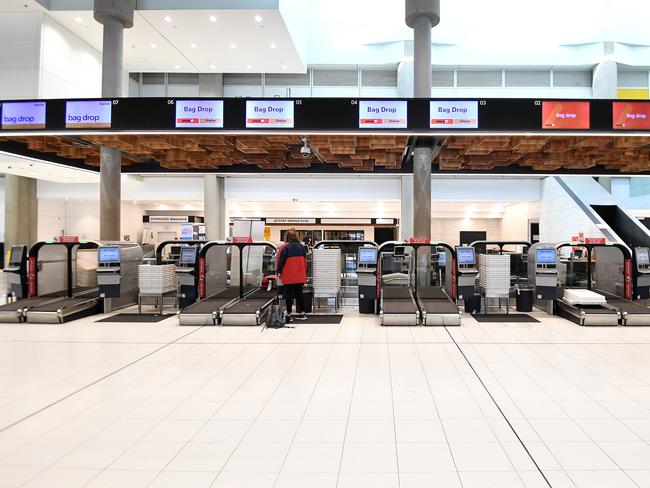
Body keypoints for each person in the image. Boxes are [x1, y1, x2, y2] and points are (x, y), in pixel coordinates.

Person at [277, 230, 308, 320]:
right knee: (300, 294)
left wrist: (279, 272)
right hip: (300, 274)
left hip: (288, 275)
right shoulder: (302, 247)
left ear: (287, 237)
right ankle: (303, 313)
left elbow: (280, 261)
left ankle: (289, 314)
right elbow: (305, 261)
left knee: (289, 295)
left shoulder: (285, 247)